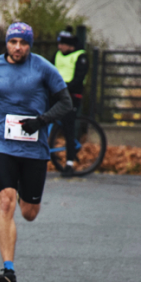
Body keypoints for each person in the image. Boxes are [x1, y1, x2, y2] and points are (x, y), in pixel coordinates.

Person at [0, 22, 73, 282]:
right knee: (5, 203)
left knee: (29, 213)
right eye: (13, 42)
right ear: (6, 43)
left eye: (23, 43)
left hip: (34, 147)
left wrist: (41, 121)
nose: (18, 47)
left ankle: (22, 193)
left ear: (30, 45)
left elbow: (66, 103)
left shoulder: (42, 67)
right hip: (3, 144)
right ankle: (8, 271)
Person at [54, 26, 89, 177]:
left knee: (69, 127)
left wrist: (63, 88)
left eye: (62, 44)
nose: (59, 47)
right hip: (56, 93)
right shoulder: (58, 55)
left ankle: (69, 163)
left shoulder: (81, 56)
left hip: (72, 96)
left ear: (70, 46)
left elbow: (78, 79)